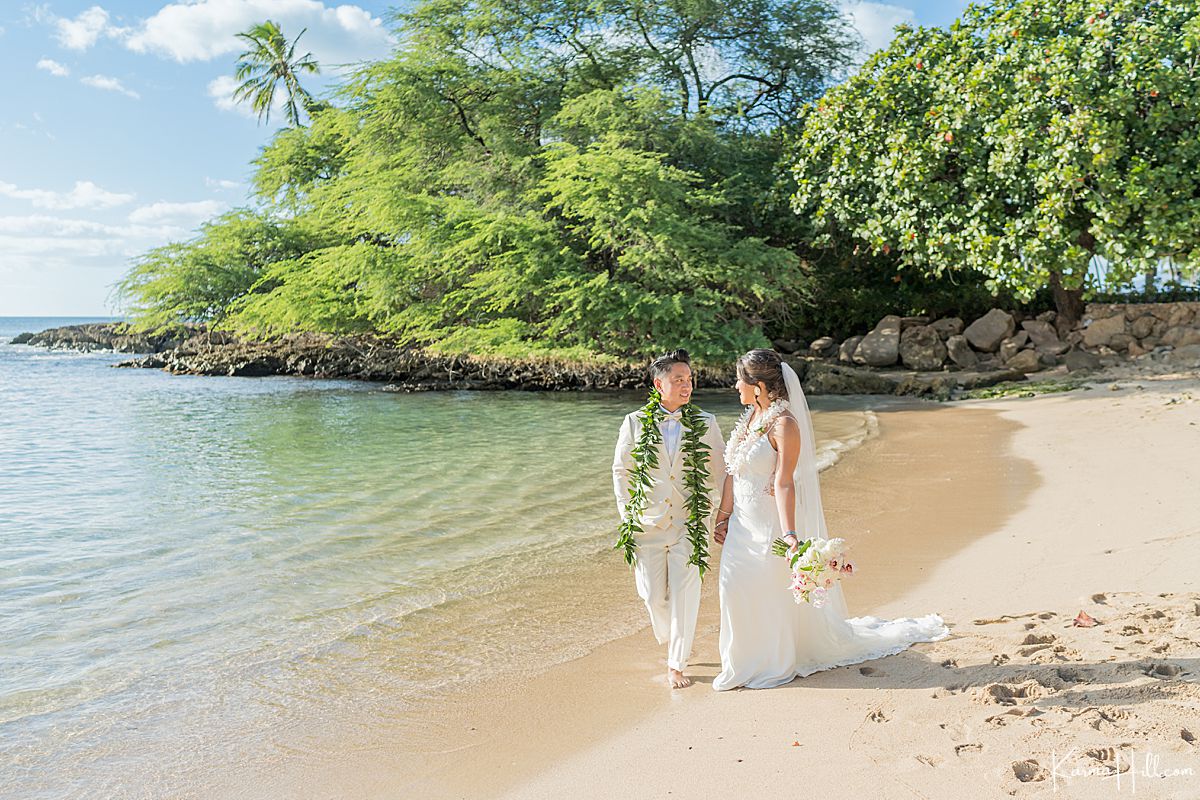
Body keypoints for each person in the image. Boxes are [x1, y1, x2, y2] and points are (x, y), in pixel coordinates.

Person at [712, 349, 949, 691]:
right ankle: (741, 662)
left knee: (762, 591)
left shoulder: (784, 425)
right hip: (740, 527)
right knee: (733, 591)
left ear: (759, 386)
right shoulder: (750, 420)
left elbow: (783, 482)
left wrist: (790, 533)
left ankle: (773, 662)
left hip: (767, 525)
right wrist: (723, 516)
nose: (736, 386)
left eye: (740, 380)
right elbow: (733, 473)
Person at [612, 349, 726, 688]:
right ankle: (673, 635)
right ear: (658, 384)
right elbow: (622, 471)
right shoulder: (634, 422)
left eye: (689, 380)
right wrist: (627, 516)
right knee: (652, 596)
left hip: (689, 522)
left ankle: (677, 662)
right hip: (646, 523)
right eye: (679, 380)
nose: (686, 386)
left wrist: (724, 515)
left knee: (686, 594)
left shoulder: (706, 422)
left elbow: (721, 470)